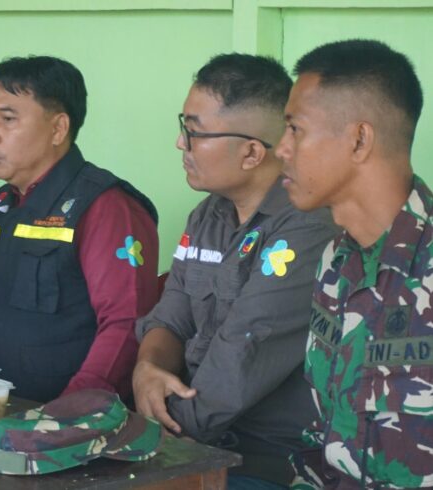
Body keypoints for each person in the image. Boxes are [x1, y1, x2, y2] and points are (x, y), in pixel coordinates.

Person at [133, 53, 338, 488]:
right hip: (195, 441)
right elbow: (171, 315)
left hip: (271, 460)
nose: (181, 143)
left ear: (251, 152)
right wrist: (147, 368)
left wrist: (157, 436)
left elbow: (243, 352)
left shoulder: (308, 227)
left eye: (194, 131)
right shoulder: (207, 215)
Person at [0, 56, 159, 403]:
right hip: (0, 410)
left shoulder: (105, 207)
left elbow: (126, 325)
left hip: (74, 418)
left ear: (58, 129)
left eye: (8, 119)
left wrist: (67, 412)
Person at [276, 39, 433, 488]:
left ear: (359, 140)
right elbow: (323, 438)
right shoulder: (335, 261)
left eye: (295, 129)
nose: (281, 149)